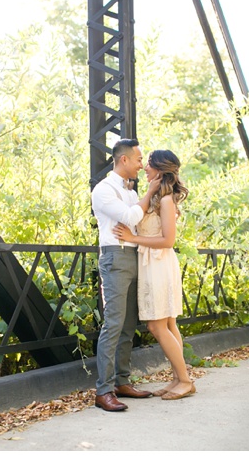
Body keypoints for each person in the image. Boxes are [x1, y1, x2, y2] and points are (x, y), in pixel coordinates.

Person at [113, 149, 195, 400]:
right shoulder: (156, 197)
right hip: (151, 262)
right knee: (168, 324)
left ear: (159, 169)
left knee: (156, 325)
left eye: (148, 164)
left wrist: (132, 238)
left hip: (159, 264)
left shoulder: (167, 200)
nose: (145, 168)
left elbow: (168, 240)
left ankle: (185, 380)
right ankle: (176, 378)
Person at [91, 138, 161, 412]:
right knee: (113, 323)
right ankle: (103, 390)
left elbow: (137, 217)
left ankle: (121, 381)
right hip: (114, 257)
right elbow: (132, 217)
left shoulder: (130, 192)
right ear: (124, 160)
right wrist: (148, 193)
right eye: (138, 159)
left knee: (129, 324)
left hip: (133, 255)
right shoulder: (103, 190)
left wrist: (139, 201)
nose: (141, 164)